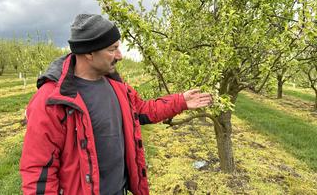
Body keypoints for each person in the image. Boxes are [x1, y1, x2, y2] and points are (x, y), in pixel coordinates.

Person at [20, 14, 212, 195]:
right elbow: (38, 171)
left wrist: (180, 101)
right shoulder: (52, 100)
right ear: (88, 53)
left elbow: (143, 110)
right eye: (112, 49)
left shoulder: (117, 87)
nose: (119, 55)